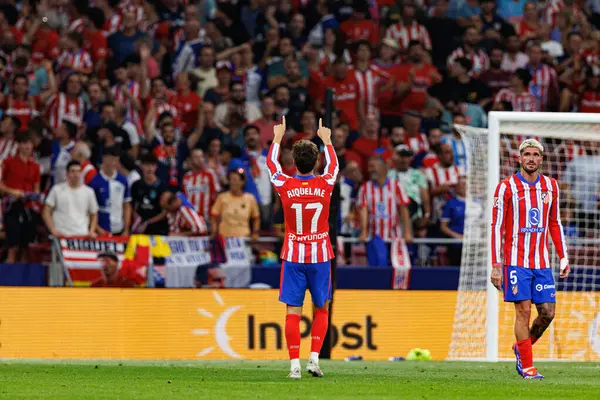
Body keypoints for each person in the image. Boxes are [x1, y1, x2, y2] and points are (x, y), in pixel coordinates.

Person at [490, 139, 570, 379]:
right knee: (523, 311)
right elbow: (496, 226)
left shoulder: (551, 187)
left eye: (536, 154)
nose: (531, 158)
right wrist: (496, 265)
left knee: (548, 313)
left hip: (542, 262)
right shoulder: (506, 187)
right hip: (516, 261)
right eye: (527, 154)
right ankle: (527, 367)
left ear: (542, 159)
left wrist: (563, 257)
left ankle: (521, 348)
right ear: (519, 158)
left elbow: (555, 223)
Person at [266, 116, 338, 379]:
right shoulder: (325, 183)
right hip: (320, 255)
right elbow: (334, 166)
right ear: (316, 161)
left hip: (293, 255)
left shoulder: (285, 184)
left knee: (292, 311)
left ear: (293, 163)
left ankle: (294, 365)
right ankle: (314, 360)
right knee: (321, 308)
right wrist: (327, 141)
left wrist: (277, 137)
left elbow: (271, 164)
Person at [0, 133, 41, 263]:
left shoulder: (35, 166)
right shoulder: (8, 162)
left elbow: (36, 188)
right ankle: (8, 280)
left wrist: (33, 197)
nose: (28, 146)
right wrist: (12, 192)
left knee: (26, 247)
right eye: (24, 143)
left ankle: (24, 280)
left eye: (30, 143)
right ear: (19, 145)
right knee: (13, 246)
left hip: (28, 208)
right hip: (11, 206)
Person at [42, 161, 99, 238]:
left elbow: (94, 214)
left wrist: (91, 231)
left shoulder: (89, 192)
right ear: (67, 173)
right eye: (73, 171)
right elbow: (46, 211)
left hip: (82, 236)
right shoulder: (57, 189)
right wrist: (52, 230)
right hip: (61, 235)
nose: (76, 174)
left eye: (78, 171)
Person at [88, 146, 132, 236]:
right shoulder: (94, 182)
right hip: (101, 229)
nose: (113, 162)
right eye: (111, 158)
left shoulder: (122, 180)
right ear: (104, 159)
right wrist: (97, 228)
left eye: (115, 159)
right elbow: (89, 208)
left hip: (119, 228)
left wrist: (126, 228)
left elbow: (126, 205)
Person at [210, 169, 260, 240]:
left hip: (243, 238)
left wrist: (255, 233)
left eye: (235, 180)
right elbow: (214, 216)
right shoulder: (222, 197)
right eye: (231, 180)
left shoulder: (250, 198)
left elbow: (256, 218)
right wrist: (214, 231)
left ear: (242, 182)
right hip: (225, 238)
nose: (232, 182)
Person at [131, 154, 169, 235]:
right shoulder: (136, 185)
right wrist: (138, 221)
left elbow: (166, 211)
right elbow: (131, 206)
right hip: (140, 229)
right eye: (146, 165)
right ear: (141, 166)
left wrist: (149, 222)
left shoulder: (162, 187)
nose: (149, 168)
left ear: (156, 167)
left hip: (158, 230)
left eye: (152, 165)